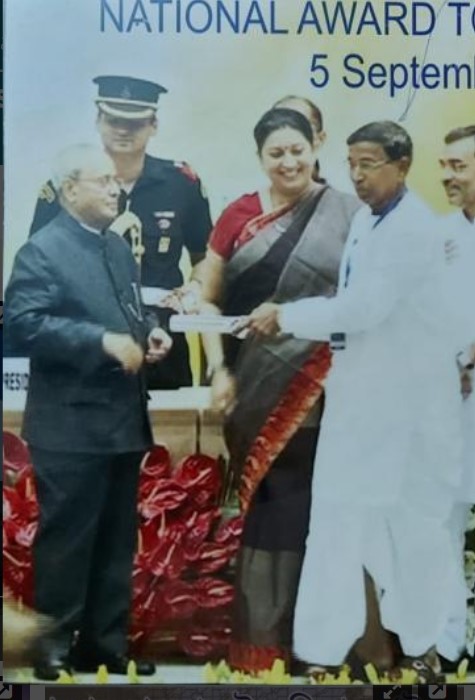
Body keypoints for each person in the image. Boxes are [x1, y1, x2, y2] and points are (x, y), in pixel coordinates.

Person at [241, 121, 470, 682]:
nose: (358, 176)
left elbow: (365, 309)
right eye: (352, 165)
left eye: (370, 164)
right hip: (360, 405)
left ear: (402, 165)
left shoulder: (413, 228)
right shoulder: (368, 220)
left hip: (413, 413)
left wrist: (287, 315)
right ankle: (321, 652)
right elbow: (355, 311)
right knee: (335, 524)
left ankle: (422, 649)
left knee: (413, 531)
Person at [196, 105, 359, 673]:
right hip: (254, 389)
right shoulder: (239, 215)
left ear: (315, 147)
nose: (288, 162)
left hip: (330, 391)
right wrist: (219, 369)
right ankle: (264, 643)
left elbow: (363, 302)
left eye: (297, 150)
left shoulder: (348, 213)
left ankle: (322, 644)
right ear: (259, 157)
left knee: (321, 511)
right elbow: (206, 299)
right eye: (276, 153)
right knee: (271, 511)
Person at [4, 144, 172, 681]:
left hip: (121, 420)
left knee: (116, 540)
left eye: (115, 181)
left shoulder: (116, 246)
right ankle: (53, 645)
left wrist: (150, 333)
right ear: (70, 189)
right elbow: (23, 325)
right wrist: (99, 341)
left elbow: (129, 311)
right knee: (68, 540)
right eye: (103, 181)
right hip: (70, 424)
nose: (115, 189)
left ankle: (104, 645)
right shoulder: (41, 251)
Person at [28, 75, 212, 389]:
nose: (123, 130)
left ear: (154, 125)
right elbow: (39, 268)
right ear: (98, 121)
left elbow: (206, 256)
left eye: (135, 123)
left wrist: (196, 287)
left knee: (168, 419)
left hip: (163, 338)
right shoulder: (65, 188)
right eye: (114, 120)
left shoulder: (181, 184)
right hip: (89, 336)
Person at [437, 125, 475, 671]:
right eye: (443, 166)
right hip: (449, 402)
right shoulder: (437, 237)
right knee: (442, 519)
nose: (447, 176)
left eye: (459, 167)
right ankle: (448, 645)